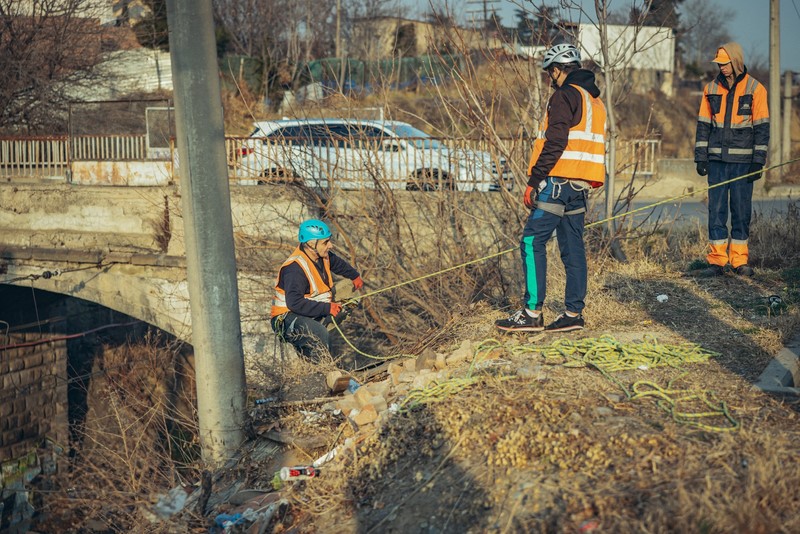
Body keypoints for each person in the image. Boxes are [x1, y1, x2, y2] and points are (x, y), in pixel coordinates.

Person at [496, 43, 606, 333]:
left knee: (532, 241)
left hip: (557, 183)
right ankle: (573, 314)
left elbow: (556, 141)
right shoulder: (594, 100)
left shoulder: (564, 95)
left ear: (558, 69)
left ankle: (532, 313)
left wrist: (534, 180)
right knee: (573, 249)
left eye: (550, 73)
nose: (549, 79)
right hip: (581, 186)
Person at [694, 42, 769, 277]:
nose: (722, 67)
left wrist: (758, 160)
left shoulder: (756, 89)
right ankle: (717, 261)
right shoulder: (710, 89)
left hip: (744, 164)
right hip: (716, 161)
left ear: (735, 61)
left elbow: (762, 128)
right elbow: (703, 126)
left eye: (725, 63)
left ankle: (739, 261)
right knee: (716, 211)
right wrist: (701, 158)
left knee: (740, 211)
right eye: (719, 64)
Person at [270, 219, 364, 361]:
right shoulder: (294, 269)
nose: (330, 245)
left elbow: (338, 264)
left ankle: (323, 324)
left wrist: (354, 276)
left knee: (351, 290)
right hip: (286, 318)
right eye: (325, 242)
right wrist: (327, 308)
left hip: (308, 308)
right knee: (318, 333)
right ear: (311, 244)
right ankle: (321, 369)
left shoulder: (322, 256)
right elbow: (294, 303)